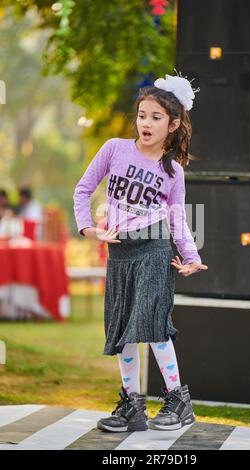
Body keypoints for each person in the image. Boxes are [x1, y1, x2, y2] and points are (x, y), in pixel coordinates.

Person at [73, 70, 208, 433]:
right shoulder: (114, 149)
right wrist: (88, 228)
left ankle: (178, 400)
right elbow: (83, 190)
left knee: (151, 325)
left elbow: (178, 218)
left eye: (156, 117)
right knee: (124, 331)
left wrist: (191, 256)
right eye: (142, 115)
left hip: (154, 249)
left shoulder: (173, 171)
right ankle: (132, 406)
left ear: (173, 124)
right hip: (119, 254)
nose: (145, 123)